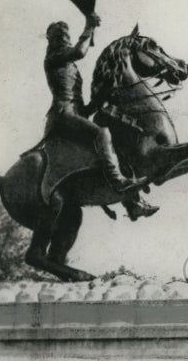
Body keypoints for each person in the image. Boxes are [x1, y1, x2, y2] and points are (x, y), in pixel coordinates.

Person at [43, 15, 158, 220]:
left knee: (115, 138)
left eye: (66, 35)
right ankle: (118, 181)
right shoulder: (53, 58)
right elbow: (80, 50)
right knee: (102, 133)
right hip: (62, 115)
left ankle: (133, 203)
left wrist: (99, 100)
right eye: (61, 35)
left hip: (75, 113)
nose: (65, 38)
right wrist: (89, 26)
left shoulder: (67, 64)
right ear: (52, 40)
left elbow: (82, 106)